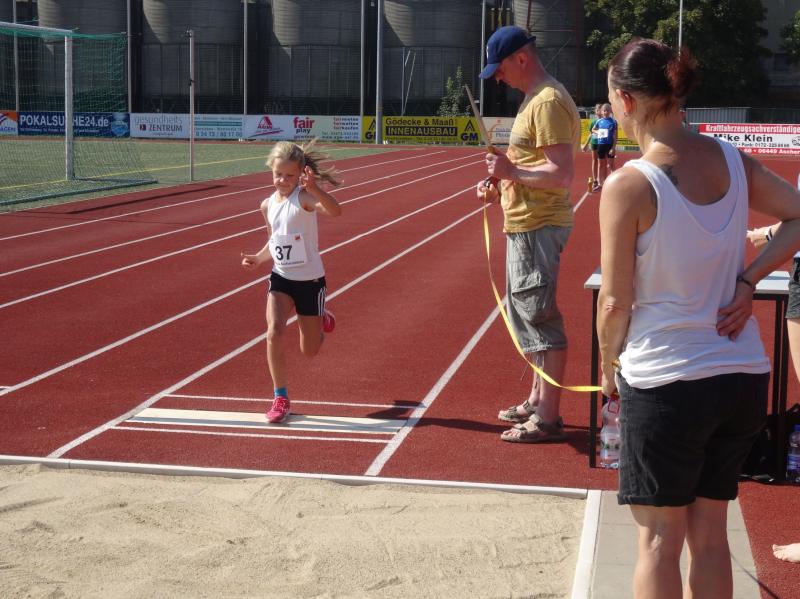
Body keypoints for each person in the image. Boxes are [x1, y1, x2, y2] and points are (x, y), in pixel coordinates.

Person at [595, 38, 800, 598]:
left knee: (658, 542)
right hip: (739, 375)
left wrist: (609, 367)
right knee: (710, 536)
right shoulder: (732, 159)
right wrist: (749, 279)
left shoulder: (629, 184)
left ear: (626, 100)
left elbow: (614, 300)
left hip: (667, 380)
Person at [476, 25, 580, 443]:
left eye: (499, 69)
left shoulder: (548, 101)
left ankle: (548, 418)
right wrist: (500, 181)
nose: (498, 78)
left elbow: (561, 173)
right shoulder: (533, 100)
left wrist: (511, 171)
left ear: (521, 58)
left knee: (539, 316)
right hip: (525, 221)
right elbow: (528, 163)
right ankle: (537, 400)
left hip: (538, 224)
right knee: (528, 314)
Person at [241, 140, 342, 424]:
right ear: (270, 171)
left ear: (300, 175)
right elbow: (275, 240)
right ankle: (280, 397)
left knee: (309, 350)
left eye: (289, 175)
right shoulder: (267, 205)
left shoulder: (304, 198)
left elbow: (336, 211)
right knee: (273, 332)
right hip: (281, 278)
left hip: (310, 282)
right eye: (278, 174)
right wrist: (258, 258)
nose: (283, 180)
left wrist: (316, 189)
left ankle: (321, 317)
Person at [590, 103, 617, 191]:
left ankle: (614, 183)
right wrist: (598, 132)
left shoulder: (613, 122)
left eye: (607, 110)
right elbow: (593, 129)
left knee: (611, 165)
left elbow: (615, 136)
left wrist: (613, 148)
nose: (606, 112)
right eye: (604, 111)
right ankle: (601, 184)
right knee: (601, 164)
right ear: (602, 112)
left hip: (609, 145)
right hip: (600, 145)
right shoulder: (599, 121)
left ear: (610, 111)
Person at [582, 103, 603, 189]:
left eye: (600, 110)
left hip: (603, 143)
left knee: (602, 162)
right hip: (594, 143)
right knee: (594, 160)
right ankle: (595, 180)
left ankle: (601, 179)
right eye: (597, 110)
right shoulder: (593, 122)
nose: (599, 112)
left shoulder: (604, 122)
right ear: (595, 111)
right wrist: (586, 144)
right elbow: (590, 134)